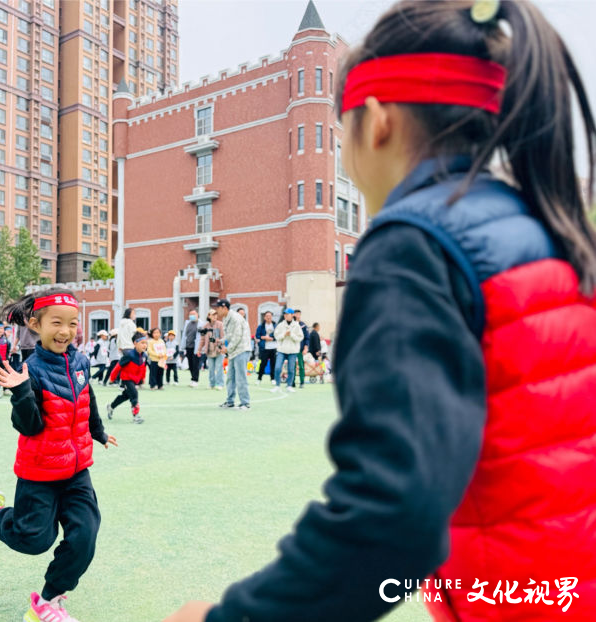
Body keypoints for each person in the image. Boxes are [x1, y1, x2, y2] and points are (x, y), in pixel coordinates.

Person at [163, 2, 596, 621]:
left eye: (338, 131)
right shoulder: (553, 230)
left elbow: (393, 513)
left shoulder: (413, 244)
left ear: (376, 120)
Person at [0, 288, 116, 622]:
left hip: (77, 472)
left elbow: (86, 398)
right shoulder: (30, 371)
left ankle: (48, 602)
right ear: (36, 324)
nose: (65, 331)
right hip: (40, 473)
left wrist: (99, 432)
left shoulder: (80, 361)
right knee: (35, 540)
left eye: (73, 323)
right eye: (57, 323)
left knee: (85, 535)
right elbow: (29, 427)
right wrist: (20, 392)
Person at [215, 300, 251, 411]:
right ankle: (230, 401)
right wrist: (221, 341)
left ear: (224, 307)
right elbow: (230, 335)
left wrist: (227, 348)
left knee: (241, 377)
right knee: (230, 377)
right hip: (234, 351)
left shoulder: (236, 318)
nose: (217, 310)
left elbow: (237, 336)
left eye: (218, 308)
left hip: (241, 349)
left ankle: (245, 403)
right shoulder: (226, 318)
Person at [106, 331, 147, 424]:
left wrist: (142, 378)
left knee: (125, 396)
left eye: (146, 343)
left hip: (134, 380)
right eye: (142, 343)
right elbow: (118, 366)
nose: (145, 345)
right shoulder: (129, 355)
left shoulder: (144, 356)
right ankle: (136, 416)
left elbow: (143, 368)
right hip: (126, 379)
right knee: (134, 394)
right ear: (135, 343)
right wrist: (112, 378)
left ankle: (111, 407)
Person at [271, 308, 303, 393]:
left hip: (292, 351)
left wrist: (291, 335)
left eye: (287, 314)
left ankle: (289, 386)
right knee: (277, 368)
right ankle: (277, 385)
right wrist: (284, 335)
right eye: (285, 314)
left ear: (292, 315)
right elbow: (276, 336)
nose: (286, 315)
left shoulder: (296, 325)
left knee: (291, 369)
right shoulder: (280, 325)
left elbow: (300, 337)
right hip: (281, 350)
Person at [199, 310, 224, 390]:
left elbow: (223, 337)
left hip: (218, 350)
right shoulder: (205, 327)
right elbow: (202, 339)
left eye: (216, 315)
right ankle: (212, 384)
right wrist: (199, 349)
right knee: (211, 368)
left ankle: (220, 384)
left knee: (219, 367)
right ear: (209, 316)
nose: (215, 316)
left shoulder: (220, 325)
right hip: (209, 350)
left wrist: (222, 346)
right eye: (213, 315)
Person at [254, 311, 277, 386]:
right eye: (267, 316)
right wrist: (263, 337)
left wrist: (271, 338)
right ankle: (259, 378)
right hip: (264, 348)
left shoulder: (275, 326)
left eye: (270, 316)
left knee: (273, 364)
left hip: (273, 347)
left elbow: (278, 335)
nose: (268, 317)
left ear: (272, 317)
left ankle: (273, 378)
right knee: (263, 363)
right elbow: (257, 336)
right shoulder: (261, 326)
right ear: (264, 317)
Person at [182, 310, 200, 387]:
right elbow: (184, 335)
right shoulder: (188, 323)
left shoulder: (200, 324)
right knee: (190, 364)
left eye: (193, 314)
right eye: (190, 314)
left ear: (197, 315)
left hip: (196, 347)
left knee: (195, 364)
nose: (192, 315)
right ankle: (192, 378)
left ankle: (195, 380)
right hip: (188, 346)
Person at [293, 310, 309, 388]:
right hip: (292, 349)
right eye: (296, 314)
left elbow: (307, 338)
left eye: (299, 314)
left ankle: (302, 382)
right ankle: (292, 382)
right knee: (292, 366)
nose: (298, 315)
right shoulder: (291, 324)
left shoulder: (303, 325)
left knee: (301, 365)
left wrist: (305, 348)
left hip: (300, 349)